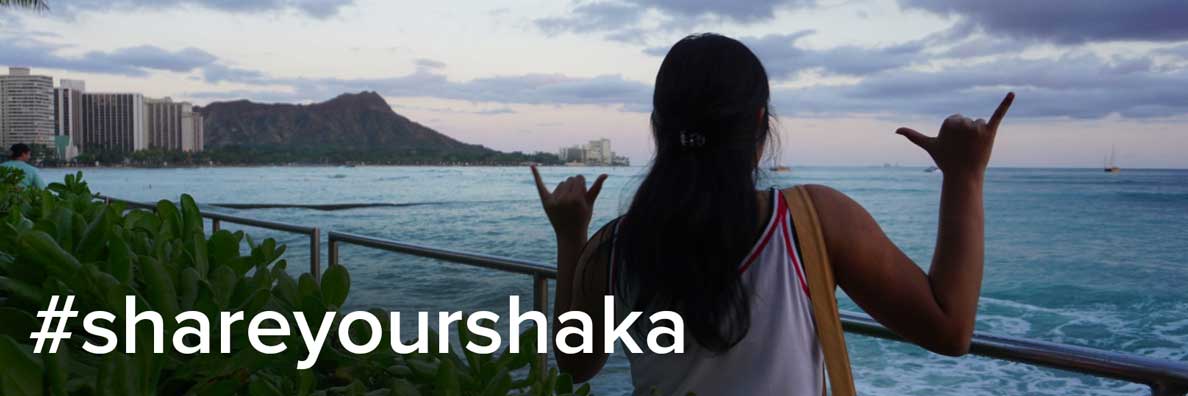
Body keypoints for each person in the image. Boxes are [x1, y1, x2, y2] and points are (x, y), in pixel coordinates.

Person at [530, 33, 1014, 395]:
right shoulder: (813, 222)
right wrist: (964, 176)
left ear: (658, 126)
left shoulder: (616, 246)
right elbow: (950, 330)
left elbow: (578, 364)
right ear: (760, 122)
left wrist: (571, 237)